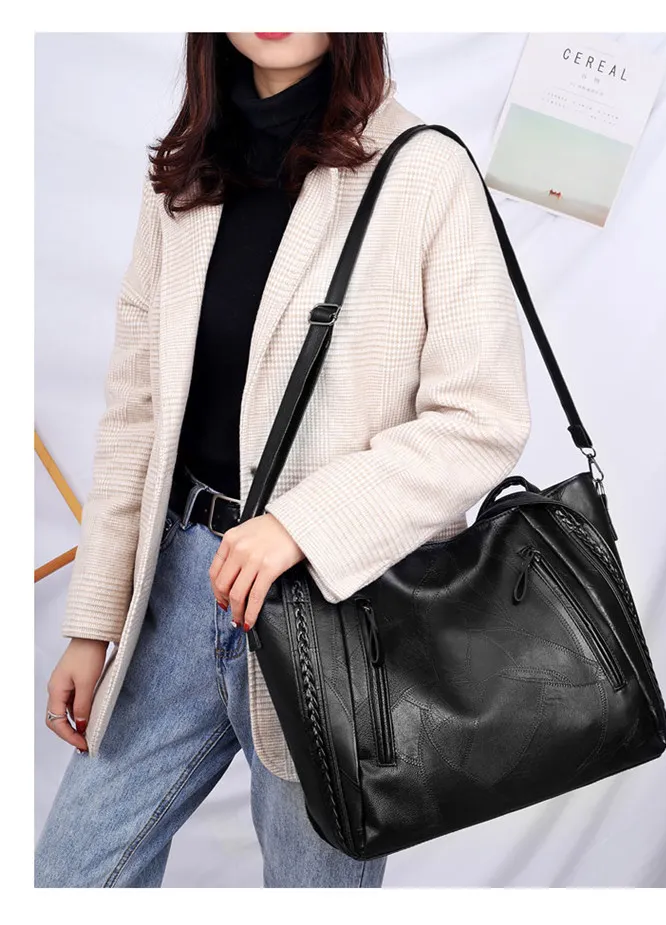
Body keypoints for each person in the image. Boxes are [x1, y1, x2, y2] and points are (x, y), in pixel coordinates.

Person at [35, 32, 532, 888]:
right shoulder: (184, 175)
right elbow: (136, 411)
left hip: (341, 614)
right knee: (70, 876)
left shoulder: (424, 172)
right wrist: (95, 621)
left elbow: (480, 419)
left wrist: (301, 524)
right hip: (178, 585)